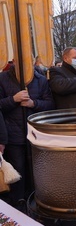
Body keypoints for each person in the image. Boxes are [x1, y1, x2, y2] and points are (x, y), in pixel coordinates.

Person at [0, 65, 54, 210]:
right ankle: (18, 205)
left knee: (36, 171)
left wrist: (33, 103)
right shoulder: (2, 78)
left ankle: (37, 204)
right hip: (13, 135)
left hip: (35, 135)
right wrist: (13, 99)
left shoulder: (41, 79)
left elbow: (50, 104)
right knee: (18, 171)